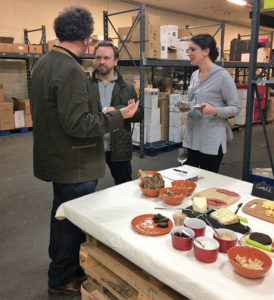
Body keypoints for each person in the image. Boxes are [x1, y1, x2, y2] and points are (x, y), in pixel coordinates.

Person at [30, 7, 139, 296]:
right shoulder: (71, 70)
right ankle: (62, 277)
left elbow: (60, 113)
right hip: (74, 162)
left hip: (57, 158)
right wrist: (118, 117)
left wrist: (95, 112)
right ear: (87, 38)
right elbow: (77, 125)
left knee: (61, 214)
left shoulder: (44, 63)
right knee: (71, 223)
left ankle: (60, 268)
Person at [180, 34, 240, 173]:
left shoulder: (222, 76)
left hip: (211, 141)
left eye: (192, 49)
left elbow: (236, 108)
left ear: (206, 51)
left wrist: (215, 111)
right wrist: (186, 106)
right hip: (192, 138)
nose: (189, 53)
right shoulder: (195, 75)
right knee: (188, 179)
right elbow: (193, 101)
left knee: (207, 182)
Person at [90, 41, 143, 185]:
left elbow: (139, 114)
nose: (101, 61)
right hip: (93, 146)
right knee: (86, 189)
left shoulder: (127, 87)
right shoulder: (86, 86)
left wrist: (118, 111)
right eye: (98, 57)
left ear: (115, 61)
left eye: (106, 58)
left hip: (119, 146)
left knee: (124, 185)